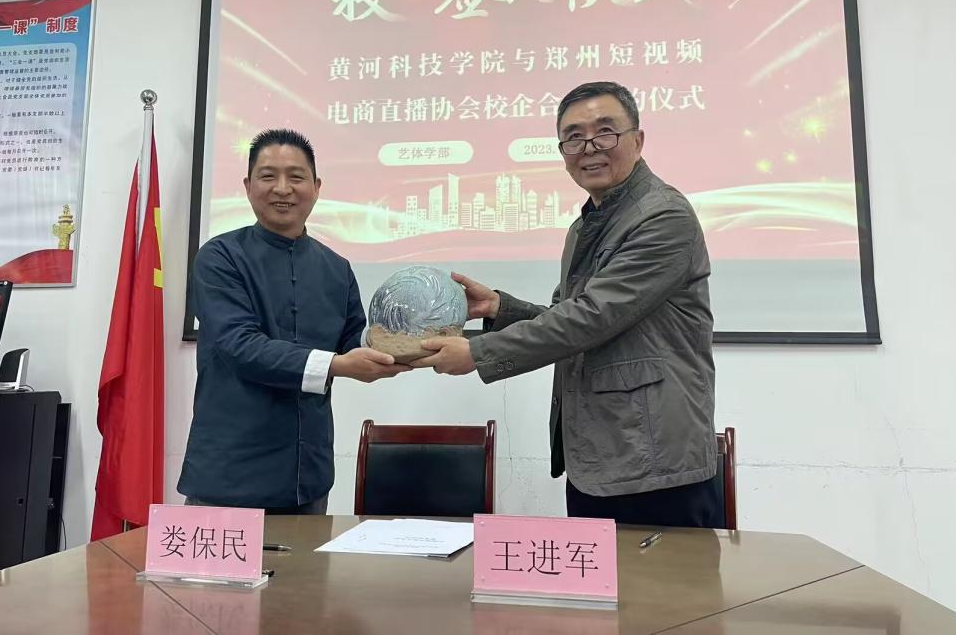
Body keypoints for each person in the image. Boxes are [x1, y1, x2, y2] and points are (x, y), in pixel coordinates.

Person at [414, 81, 719, 527]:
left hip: (655, 461)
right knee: (595, 574)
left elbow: (592, 318)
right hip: (599, 456)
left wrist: (476, 353)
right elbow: (576, 318)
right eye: (574, 137)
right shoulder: (587, 224)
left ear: (638, 140)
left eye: (605, 132)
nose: (589, 147)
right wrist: (500, 308)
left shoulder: (663, 215)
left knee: (668, 577)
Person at [177, 128, 409, 514]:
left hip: (308, 480)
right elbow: (239, 346)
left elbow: (356, 341)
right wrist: (337, 365)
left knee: (310, 560)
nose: (282, 188)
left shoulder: (337, 268)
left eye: (296, 177)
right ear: (248, 186)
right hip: (228, 479)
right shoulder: (219, 258)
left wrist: (413, 341)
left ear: (316, 188)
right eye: (268, 176)